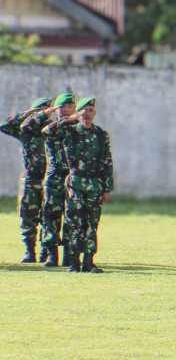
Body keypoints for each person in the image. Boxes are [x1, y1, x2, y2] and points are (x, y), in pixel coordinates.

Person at [42, 97, 113, 273]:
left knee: (91, 223)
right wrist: (71, 119)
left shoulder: (100, 134)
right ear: (78, 113)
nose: (87, 114)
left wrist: (107, 188)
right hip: (75, 183)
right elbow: (46, 131)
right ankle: (74, 262)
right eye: (84, 111)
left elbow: (107, 162)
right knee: (74, 222)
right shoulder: (69, 132)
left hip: (94, 184)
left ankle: (89, 261)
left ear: (95, 113)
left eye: (91, 111)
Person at [21, 94, 77, 267]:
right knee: (51, 216)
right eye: (62, 107)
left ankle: (68, 253)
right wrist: (44, 113)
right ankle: (52, 253)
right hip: (54, 178)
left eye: (70, 106)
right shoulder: (50, 127)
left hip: (72, 178)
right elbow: (26, 126)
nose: (66, 110)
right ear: (56, 110)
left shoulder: (79, 128)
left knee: (71, 216)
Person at [1, 96, 52, 263]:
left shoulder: (53, 130)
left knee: (49, 216)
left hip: (50, 180)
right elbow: (5, 126)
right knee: (28, 216)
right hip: (31, 179)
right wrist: (28, 113)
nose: (43, 114)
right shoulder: (26, 131)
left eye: (46, 110)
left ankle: (46, 250)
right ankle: (30, 251)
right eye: (40, 110)